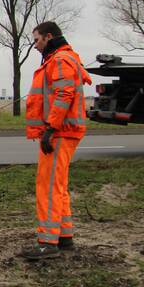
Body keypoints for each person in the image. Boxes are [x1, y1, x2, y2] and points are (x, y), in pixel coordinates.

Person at [21, 21, 92, 260]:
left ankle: (47, 242)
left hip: (60, 132)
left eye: (37, 40)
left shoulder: (61, 60)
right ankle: (64, 237)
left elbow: (64, 95)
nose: (35, 46)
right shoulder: (64, 58)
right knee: (58, 185)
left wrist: (50, 129)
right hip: (64, 131)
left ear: (49, 37)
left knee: (48, 186)